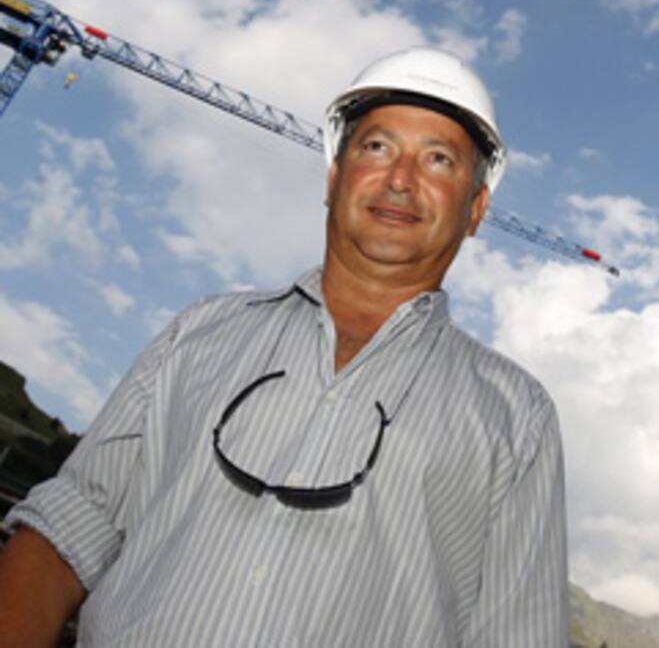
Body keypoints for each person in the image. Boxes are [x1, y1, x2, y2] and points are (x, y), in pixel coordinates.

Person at [0, 47, 568, 646]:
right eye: (377, 147)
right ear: (334, 177)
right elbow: (70, 527)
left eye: (438, 159)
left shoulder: (517, 417)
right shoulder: (199, 333)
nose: (401, 180)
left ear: (475, 208)